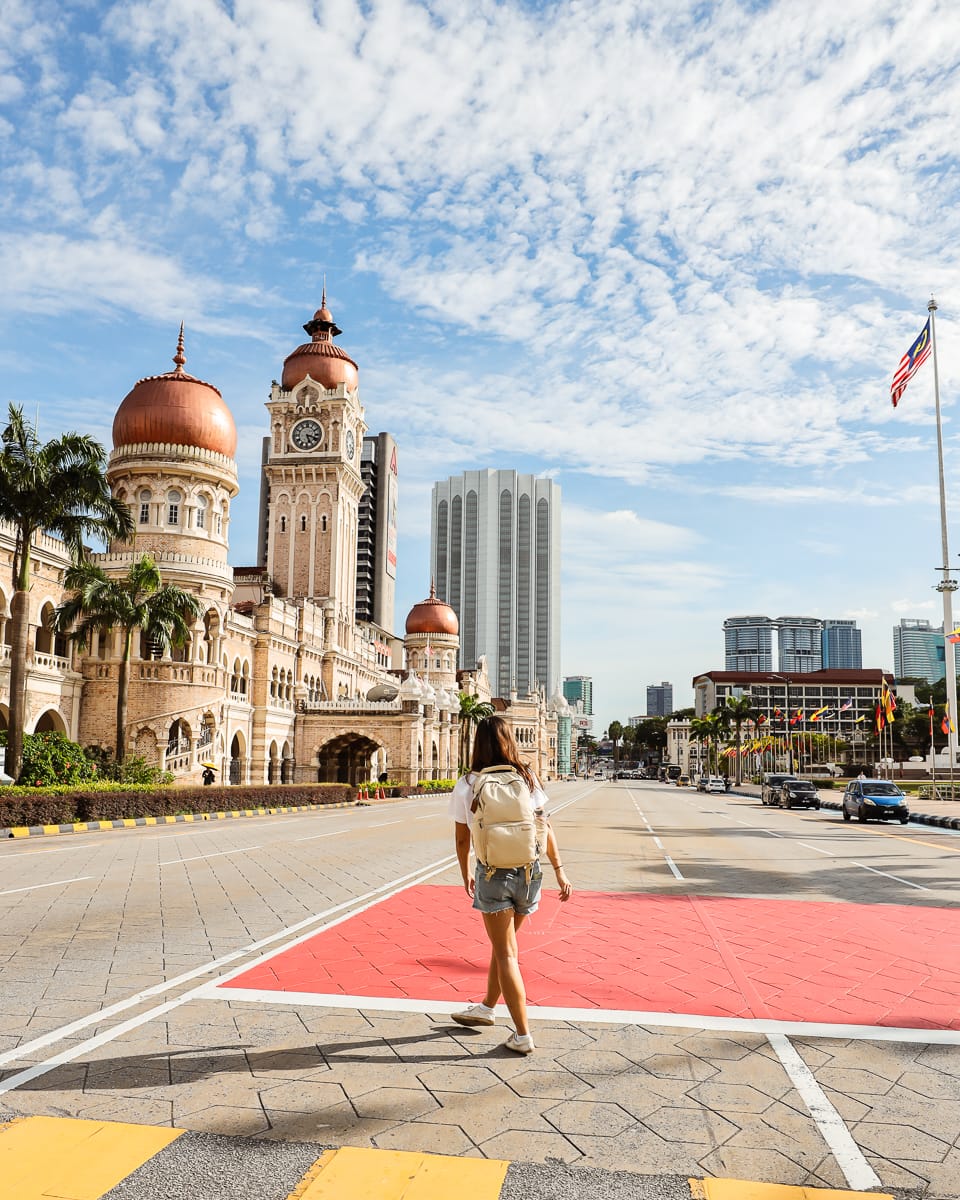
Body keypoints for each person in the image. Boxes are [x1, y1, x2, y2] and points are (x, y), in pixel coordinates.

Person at [449, 715, 572, 1054]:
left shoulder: (468, 783)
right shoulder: (527, 777)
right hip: (529, 873)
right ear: (509, 741)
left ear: (478, 744)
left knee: (506, 953)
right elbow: (545, 828)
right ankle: (488, 1006)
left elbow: (462, 840)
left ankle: (522, 1035)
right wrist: (560, 871)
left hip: (493, 873)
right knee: (505, 947)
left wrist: (465, 874)